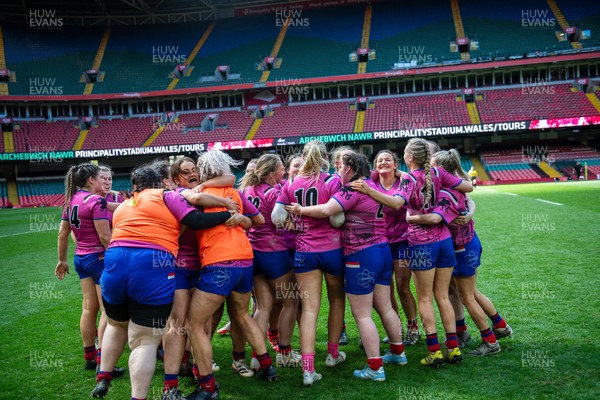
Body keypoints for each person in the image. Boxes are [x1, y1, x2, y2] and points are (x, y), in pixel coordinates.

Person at [91, 162, 234, 399]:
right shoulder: (166, 195)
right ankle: (139, 396)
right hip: (152, 262)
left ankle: (103, 376)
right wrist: (227, 214)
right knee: (145, 341)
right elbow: (197, 220)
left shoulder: (126, 204)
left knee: (116, 325)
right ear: (163, 182)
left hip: (114, 262)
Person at [350, 138, 473, 367]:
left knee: (425, 298)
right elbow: (468, 187)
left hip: (420, 242)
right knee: (443, 296)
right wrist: (445, 199)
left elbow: (397, 204)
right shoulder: (438, 173)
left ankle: (435, 352)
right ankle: (453, 348)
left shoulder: (407, 179)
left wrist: (368, 189)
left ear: (408, 158)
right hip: (445, 240)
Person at [287, 152, 406, 382]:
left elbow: (325, 211)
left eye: (340, 167)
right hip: (382, 251)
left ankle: (375, 367)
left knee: (362, 314)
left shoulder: (352, 189)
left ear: (349, 169)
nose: (338, 171)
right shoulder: (373, 185)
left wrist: (300, 210)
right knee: (386, 307)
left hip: (360, 255)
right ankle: (398, 353)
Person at [186, 150, 276, 400]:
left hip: (218, 262)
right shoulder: (234, 191)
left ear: (202, 170)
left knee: (195, 324)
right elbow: (256, 220)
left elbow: (191, 204)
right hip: (244, 261)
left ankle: (205, 383)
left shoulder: (198, 194)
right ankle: (267, 366)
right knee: (242, 314)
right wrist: (240, 219)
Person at [406, 149, 510, 357]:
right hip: (463, 244)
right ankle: (497, 327)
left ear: (442, 170)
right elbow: (469, 197)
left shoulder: (447, 193)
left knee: (467, 296)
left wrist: (411, 218)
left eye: (433, 167)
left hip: (462, 247)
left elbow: (436, 218)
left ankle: (490, 341)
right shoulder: (449, 187)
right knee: (465, 293)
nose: (430, 171)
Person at [161, 157, 239, 398]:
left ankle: (198, 371)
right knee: (178, 322)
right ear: (175, 179)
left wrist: (202, 185)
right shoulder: (177, 195)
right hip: (181, 265)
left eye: (194, 170)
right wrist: (225, 205)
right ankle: (171, 384)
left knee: (201, 325)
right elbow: (194, 202)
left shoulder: (202, 186)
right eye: (186, 172)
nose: (192, 174)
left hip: (205, 263)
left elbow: (231, 178)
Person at [273, 140, 347, 386]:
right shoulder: (332, 180)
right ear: (325, 157)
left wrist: (296, 217)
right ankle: (333, 355)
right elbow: (338, 219)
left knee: (310, 310)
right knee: (336, 300)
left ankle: (307, 369)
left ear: (303, 158)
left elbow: (277, 218)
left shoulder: (292, 182)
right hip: (332, 249)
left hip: (304, 251)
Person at [55, 163, 121, 377]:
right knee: (106, 310)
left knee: (88, 307)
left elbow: (62, 234)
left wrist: (62, 261)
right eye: (100, 178)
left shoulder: (70, 201)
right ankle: (104, 362)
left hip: (80, 259)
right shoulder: (95, 200)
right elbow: (104, 237)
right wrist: (119, 255)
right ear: (91, 180)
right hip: (99, 259)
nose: (104, 181)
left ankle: (89, 358)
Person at [242, 154, 301, 369]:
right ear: (271, 173)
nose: (284, 172)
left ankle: (258, 357)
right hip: (273, 252)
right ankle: (284, 352)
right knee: (291, 301)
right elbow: (290, 222)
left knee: (263, 306)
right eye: (281, 169)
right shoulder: (274, 192)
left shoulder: (248, 189)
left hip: (252, 252)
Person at [371, 150, 420, 346]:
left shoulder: (404, 182)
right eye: (379, 160)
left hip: (402, 241)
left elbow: (406, 183)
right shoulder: (371, 182)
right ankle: (396, 327)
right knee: (386, 289)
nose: (383, 162)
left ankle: (413, 327)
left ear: (395, 164)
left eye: (387, 160)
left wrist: (401, 174)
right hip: (380, 242)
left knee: (402, 286)